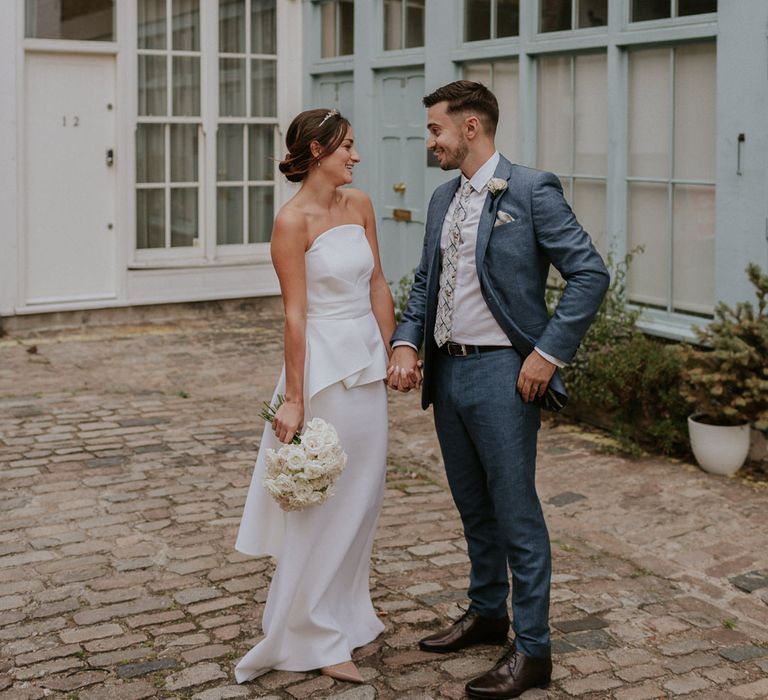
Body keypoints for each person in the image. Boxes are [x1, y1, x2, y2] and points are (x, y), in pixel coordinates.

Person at [388, 81, 610, 699]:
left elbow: (590, 273)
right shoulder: (440, 198)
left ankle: (532, 650)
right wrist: (407, 341)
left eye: (435, 129)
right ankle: (488, 614)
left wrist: (548, 352)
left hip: (503, 376)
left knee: (516, 515)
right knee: (473, 507)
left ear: (470, 128)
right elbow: (425, 284)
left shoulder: (531, 190)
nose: (428, 140)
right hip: (448, 373)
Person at [234, 108, 395, 685]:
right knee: (322, 505)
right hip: (321, 375)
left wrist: (396, 351)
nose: (355, 155)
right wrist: (294, 400)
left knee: (363, 500)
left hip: (366, 372)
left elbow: (378, 283)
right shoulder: (291, 221)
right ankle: (309, 633)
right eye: (346, 146)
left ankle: (346, 614)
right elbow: (295, 318)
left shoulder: (361, 207)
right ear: (316, 151)